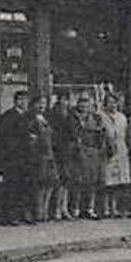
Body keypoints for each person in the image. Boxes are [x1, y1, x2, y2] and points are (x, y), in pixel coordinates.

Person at [0, 90, 35, 225]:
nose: (23, 103)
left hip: (26, 157)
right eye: (20, 100)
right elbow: (5, 137)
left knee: (24, 187)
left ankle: (22, 213)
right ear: (15, 101)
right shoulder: (8, 116)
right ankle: (9, 216)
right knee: (12, 187)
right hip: (13, 158)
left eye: (25, 100)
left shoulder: (28, 116)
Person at [72, 92, 109, 219]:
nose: (84, 106)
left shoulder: (96, 118)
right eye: (81, 103)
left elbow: (102, 133)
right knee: (78, 181)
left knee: (92, 182)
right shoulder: (73, 117)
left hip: (93, 151)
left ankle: (89, 207)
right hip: (79, 152)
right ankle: (76, 208)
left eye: (86, 103)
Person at [100, 92, 131, 218]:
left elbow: (126, 135)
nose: (112, 105)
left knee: (120, 182)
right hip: (106, 151)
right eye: (109, 102)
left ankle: (117, 208)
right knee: (107, 181)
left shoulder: (122, 117)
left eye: (114, 102)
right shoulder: (101, 116)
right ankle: (106, 208)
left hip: (121, 150)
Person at [48, 91, 78, 219]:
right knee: (57, 180)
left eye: (67, 100)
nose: (65, 102)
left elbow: (74, 132)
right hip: (57, 150)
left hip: (68, 151)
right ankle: (55, 209)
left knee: (66, 181)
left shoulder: (71, 114)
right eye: (63, 99)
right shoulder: (52, 114)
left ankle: (64, 207)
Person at [29, 97, 58, 222]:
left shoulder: (47, 119)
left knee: (50, 182)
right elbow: (32, 140)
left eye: (44, 103)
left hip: (49, 154)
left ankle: (45, 210)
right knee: (40, 184)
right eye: (39, 103)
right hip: (39, 155)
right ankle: (38, 211)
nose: (42, 106)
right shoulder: (31, 120)